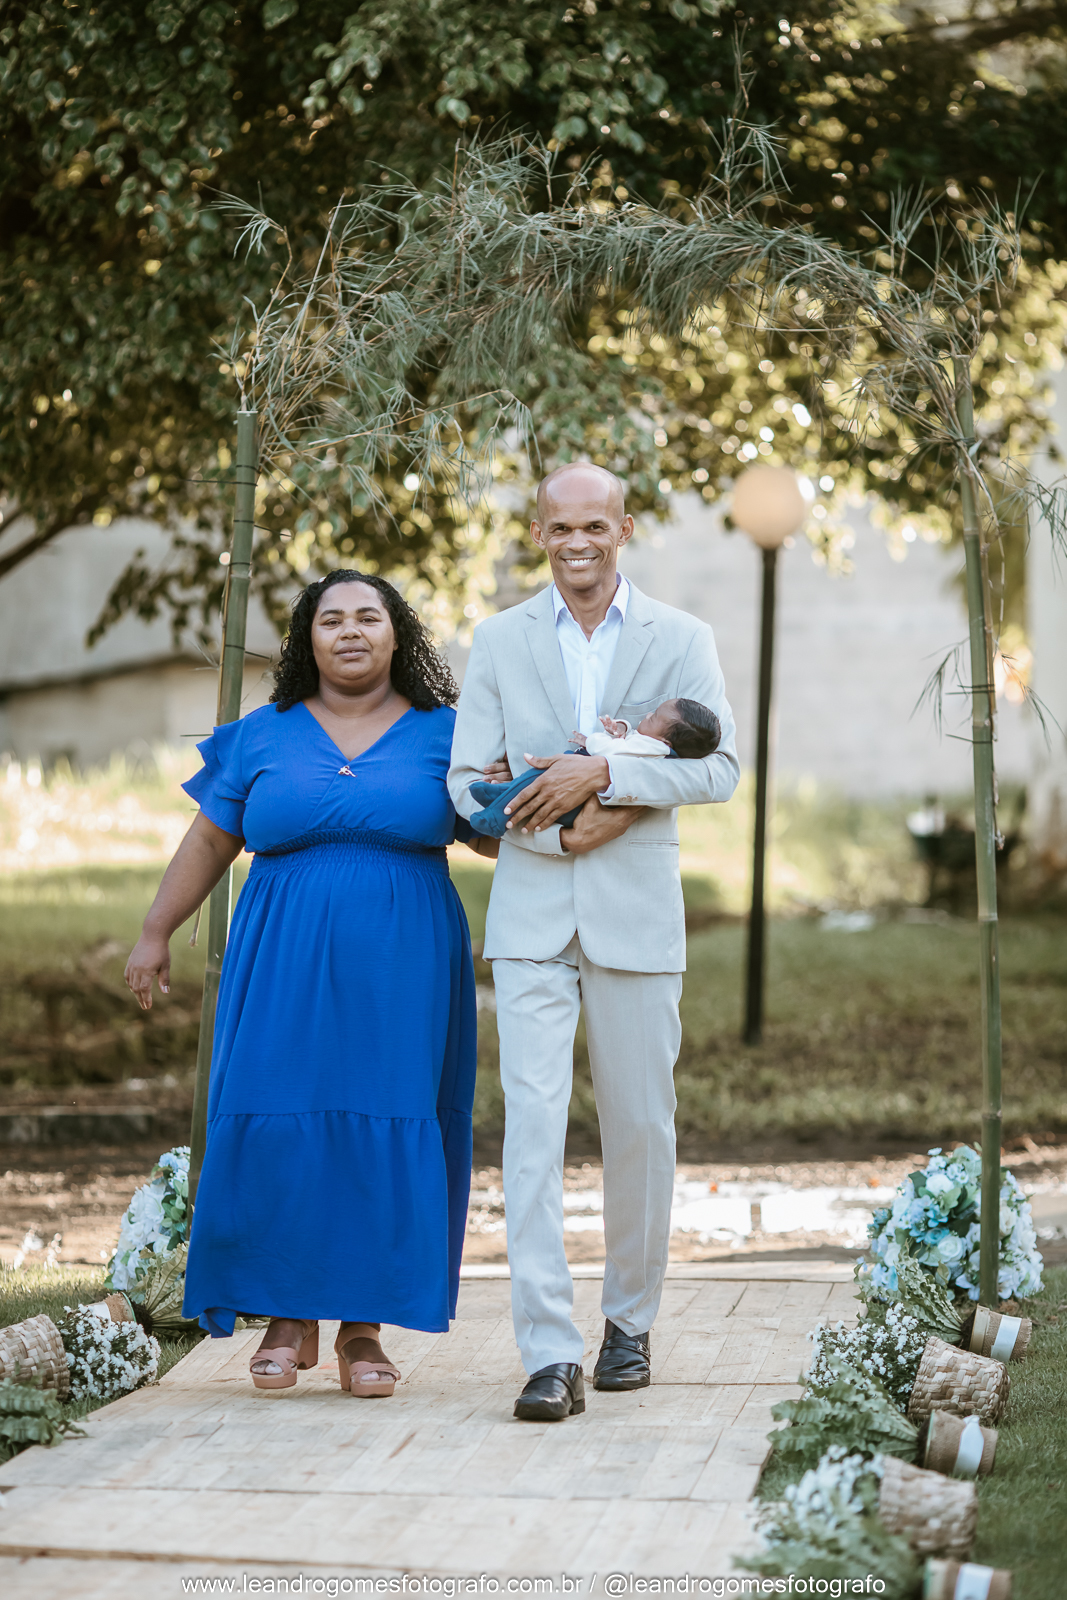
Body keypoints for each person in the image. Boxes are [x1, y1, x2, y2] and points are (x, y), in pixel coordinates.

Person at [125, 570, 497, 1396]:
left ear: (398, 635)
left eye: (369, 616)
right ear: (307, 640)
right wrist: (155, 931)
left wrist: (549, 792)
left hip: (403, 965)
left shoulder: (447, 734)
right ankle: (287, 1317)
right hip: (280, 957)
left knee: (386, 1115)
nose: (351, 631)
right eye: (332, 620)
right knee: (279, 1116)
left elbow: (493, 837)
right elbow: (210, 840)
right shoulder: (261, 735)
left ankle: (363, 1329)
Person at [448, 462, 739, 1422]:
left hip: (637, 916)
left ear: (624, 528)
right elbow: (464, 782)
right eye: (560, 527)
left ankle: (628, 1325)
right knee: (531, 1131)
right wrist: (553, 829)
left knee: (641, 1127)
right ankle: (547, 1351)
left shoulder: (681, 636)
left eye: (594, 526)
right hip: (531, 916)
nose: (577, 542)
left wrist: (606, 781)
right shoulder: (498, 639)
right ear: (538, 533)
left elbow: (720, 769)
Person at [468, 698, 721, 837]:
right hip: (581, 796)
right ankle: (502, 794)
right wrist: (621, 729)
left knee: (539, 776)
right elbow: (630, 740)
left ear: (666, 741)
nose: (646, 716)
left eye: (653, 717)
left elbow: (609, 752)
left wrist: (592, 741)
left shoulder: (652, 747)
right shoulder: (654, 745)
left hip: (578, 799)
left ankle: (495, 818)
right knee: (536, 779)